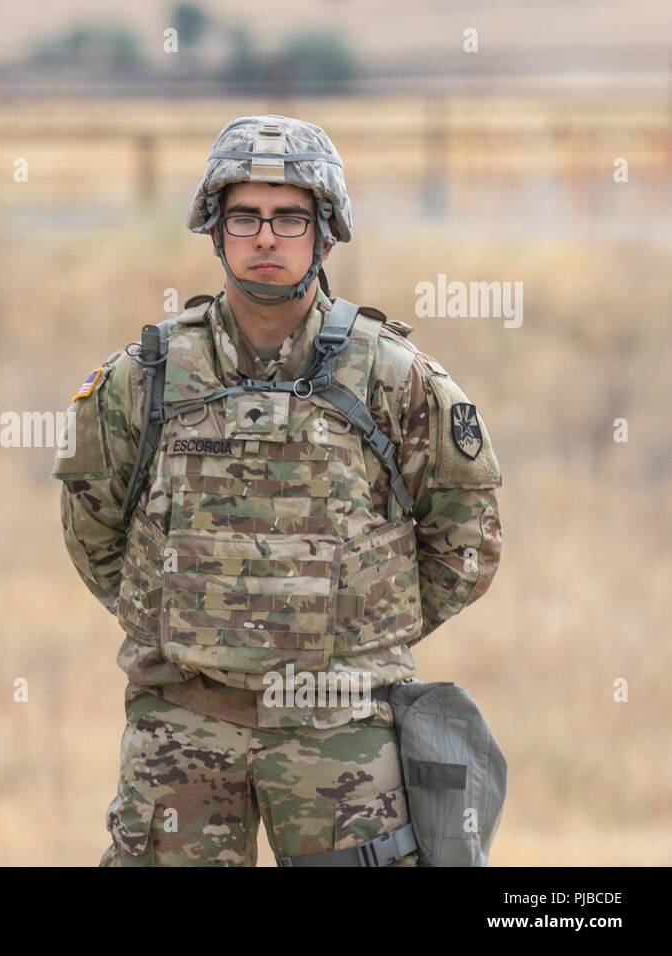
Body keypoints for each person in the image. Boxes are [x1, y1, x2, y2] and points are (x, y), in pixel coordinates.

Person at [53, 114, 502, 866]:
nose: (266, 237)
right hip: (184, 723)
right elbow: (94, 529)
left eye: (290, 216)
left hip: (342, 728)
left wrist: (354, 631)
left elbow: (467, 538)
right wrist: (186, 629)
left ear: (326, 235)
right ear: (216, 232)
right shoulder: (144, 378)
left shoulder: (396, 378)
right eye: (246, 217)